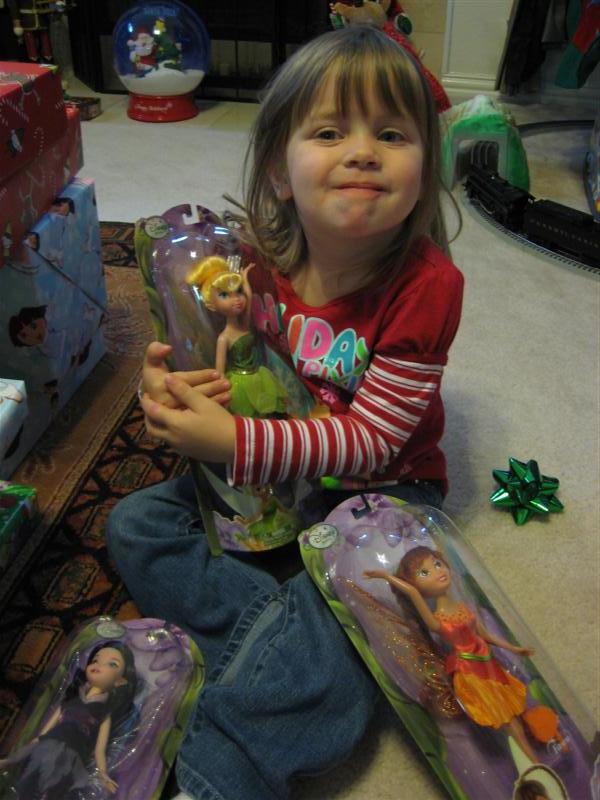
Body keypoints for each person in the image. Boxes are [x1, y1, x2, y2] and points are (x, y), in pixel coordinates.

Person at [106, 23, 464, 800]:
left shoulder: (428, 285)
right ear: (278, 169)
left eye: (392, 134)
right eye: (330, 132)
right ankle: (292, 639)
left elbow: (374, 441)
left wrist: (234, 440)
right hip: (275, 483)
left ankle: (223, 764)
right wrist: (168, 389)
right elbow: (221, 366)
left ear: (424, 167)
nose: (362, 152)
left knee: (365, 595)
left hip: (382, 491)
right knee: (135, 525)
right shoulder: (251, 260)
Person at [364, 546, 538, 761]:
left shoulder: (464, 607)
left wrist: (514, 648)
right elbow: (412, 593)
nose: (437, 571)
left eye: (437, 564)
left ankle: (534, 761)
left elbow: (485, 636)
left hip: (489, 665)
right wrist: (385, 576)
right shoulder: (435, 620)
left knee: (514, 718)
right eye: (424, 572)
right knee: (508, 722)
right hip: (470, 673)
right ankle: (534, 763)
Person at [0, 641, 138, 798]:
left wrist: (103, 774)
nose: (99, 665)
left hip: (71, 759)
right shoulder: (69, 701)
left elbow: (99, 750)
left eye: (112, 664)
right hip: (45, 749)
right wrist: (11, 760)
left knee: (54, 791)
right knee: (28, 786)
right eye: (95, 660)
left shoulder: (104, 713)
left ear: (120, 681)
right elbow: (41, 736)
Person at [185, 255, 287, 417]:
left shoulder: (244, 324)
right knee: (248, 416)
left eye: (238, 292)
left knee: (265, 414)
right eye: (224, 295)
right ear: (211, 305)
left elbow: (248, 297)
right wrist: (221, 396)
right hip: (240, 384)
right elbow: (219, 371)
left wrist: (244, 279)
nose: (237, 299)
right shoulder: (224, 338)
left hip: (258, 376)